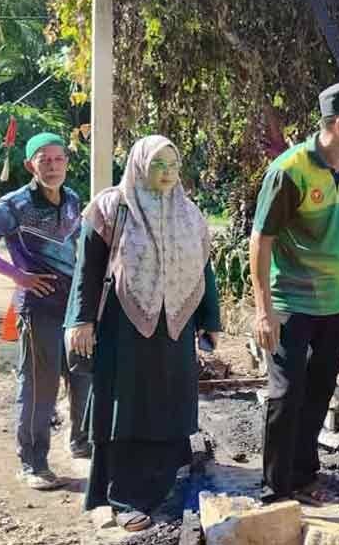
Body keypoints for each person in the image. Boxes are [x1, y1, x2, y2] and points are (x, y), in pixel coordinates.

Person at [64, 135, 220, 532]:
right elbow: (89, 269)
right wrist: (80, 321)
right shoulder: (109, 207)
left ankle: (163, 490)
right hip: (125, 327)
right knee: (127, 407)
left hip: (175, 329)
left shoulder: (188, 212)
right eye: (158, 165)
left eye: (173, 164)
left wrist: (210, 321)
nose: (167, 173)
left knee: (169, 403)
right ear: (138, 166)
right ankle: (122, 495)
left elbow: (203, 270)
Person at [250, 80, 339, 504]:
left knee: (320, 389)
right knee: (287, 392)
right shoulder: (290, 170)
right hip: (292, 302)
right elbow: (261, 240)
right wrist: (263, 311)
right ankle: (276, 487)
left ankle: (304, 476)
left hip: (333, 300)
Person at [0, 132, 90, 491]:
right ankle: (33, 462)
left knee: (82, 374)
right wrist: (18, 275)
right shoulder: (15, 205)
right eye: (43, 159)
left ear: (66, 162)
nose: (51, 166)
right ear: (30, 164)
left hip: (73, 306)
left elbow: (78, 246)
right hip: (37, 308)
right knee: (39, 386)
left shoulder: (73, 199)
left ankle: (81, 441)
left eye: (58, 159)